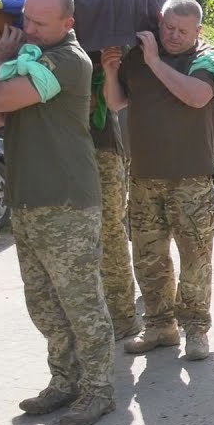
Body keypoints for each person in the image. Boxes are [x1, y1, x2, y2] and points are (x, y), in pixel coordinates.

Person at [0, 0, 116, 425]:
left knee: (80, 301)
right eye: (25, 20)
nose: (28, 29)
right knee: (43, 302)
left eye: (39, 23)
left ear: (68, 23)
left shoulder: (69, 61)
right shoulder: (32, 61)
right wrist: (3, 68)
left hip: (66, 201)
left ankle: (98, 389)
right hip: (28, 198)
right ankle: (64, 381)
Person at [103, 0, 214, 361]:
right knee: (149, 258)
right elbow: (116, 102)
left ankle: (196, 330)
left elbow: (198, 96)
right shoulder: (137, 55)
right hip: (143, 176)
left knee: (194, 258)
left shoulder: (206, 59)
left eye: (182, 30)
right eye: (168, 27)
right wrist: (110, 71)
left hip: (191, 179)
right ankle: (159, 325)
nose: (172, 35)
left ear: (197, 30)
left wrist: (155, 61)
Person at [88, 58, 137, 340]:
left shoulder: (103, 47)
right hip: (62, 150)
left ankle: (122, 314)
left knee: (109, 230)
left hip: (102, 147)